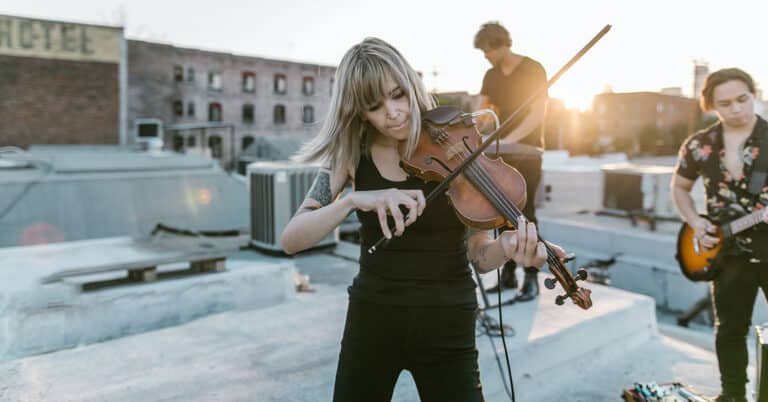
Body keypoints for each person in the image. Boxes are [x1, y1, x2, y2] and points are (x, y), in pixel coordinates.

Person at [281, 37, 592, 402]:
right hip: (373, 320)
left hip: (448, 322)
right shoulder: (350, 154)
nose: (393, 113)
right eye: (375, 106)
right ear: (358, 111)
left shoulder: (458, 146)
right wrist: (352, 201)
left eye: (398, 95)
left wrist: (508, 246)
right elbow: (292, 239)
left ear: (412, 86)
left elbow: (479, 254)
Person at [671, 68, 768, 402]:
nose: (736, 109)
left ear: (753, 94)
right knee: (729, 330)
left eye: (743, 99)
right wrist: (696, 222)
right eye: (725, 103)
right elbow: (680, 188)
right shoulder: (699, 145)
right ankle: (733, 395)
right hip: (724, 252)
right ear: (711, 105)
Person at [473, 22, 549, 301]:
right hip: (501, 151)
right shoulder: (491, 75)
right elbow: (481, 110)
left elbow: (538, 113)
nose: (487, 56)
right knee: (500, 212)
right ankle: (507, 276)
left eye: (489, 50)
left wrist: (512, 139)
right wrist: (474, 127)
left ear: (503, 44)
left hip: (527, 151)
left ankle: (531, 279)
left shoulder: (533, 68)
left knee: (524, 213)